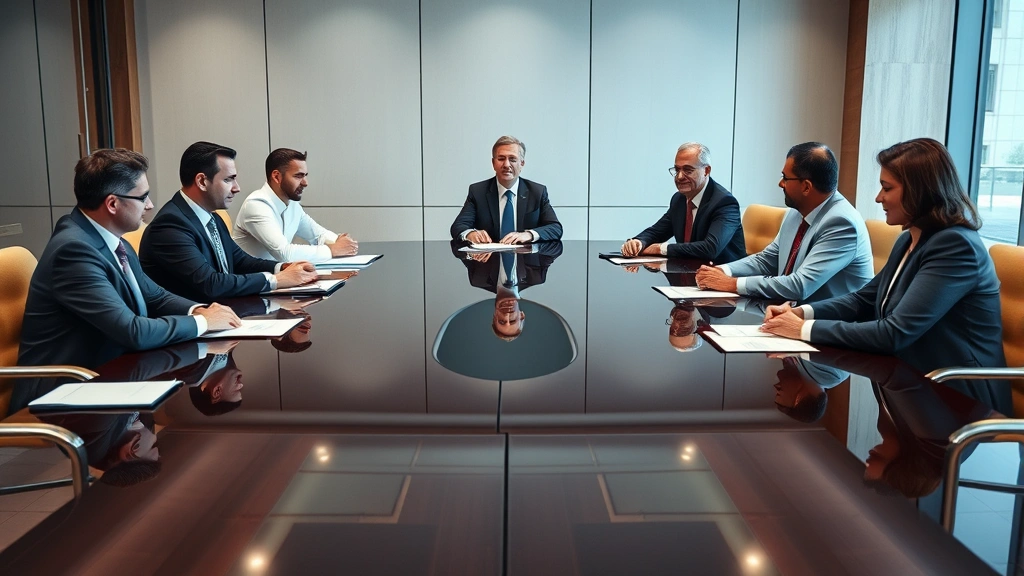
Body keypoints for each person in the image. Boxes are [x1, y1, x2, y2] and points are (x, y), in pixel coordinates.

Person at [14, 149, 241, 414]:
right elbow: (133, 331)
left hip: (109, 377)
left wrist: (200, 310)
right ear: (112, 204)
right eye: (143, 197)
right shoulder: (73, 252)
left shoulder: (112, 239)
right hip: (65, 396)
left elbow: (154, 295)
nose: (150, 205)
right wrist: (202, 323)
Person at [761, 138, 1005, 378]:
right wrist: (801, 313)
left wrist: (804, 329)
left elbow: (894, 333)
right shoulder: (909, 240)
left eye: (887, 188)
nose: (878, 198)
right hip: (910, 376)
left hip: (956, 392)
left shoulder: (956, 246)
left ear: (920, 191)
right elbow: (862, 301)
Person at [140, 141, 318, 301]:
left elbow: (240, 262)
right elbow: (211, 283)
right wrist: (276, 280)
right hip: (191, 326)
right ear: (202, 181)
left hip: (224, 314)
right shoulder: (170, 226)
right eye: (228, 179)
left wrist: (284, 267)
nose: (237, 188)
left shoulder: (212, 217)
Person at [695, 142, 873, 302]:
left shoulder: (841, 223)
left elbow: (799, 285)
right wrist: (722, 271)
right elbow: (767, 260)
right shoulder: (797, 212)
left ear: (806, 187)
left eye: (785, 178)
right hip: (788, 312)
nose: (781, 183)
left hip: (831, 326)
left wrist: (732, 284)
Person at [621, 142, 745, 263]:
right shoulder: (679, 199)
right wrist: (638, 242)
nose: (679, 176)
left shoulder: (725, 203)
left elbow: (710, 248)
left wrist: (661, 249)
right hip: (687, 272)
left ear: (706, 171)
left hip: (722, 277)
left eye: (688, 170)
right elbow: (658, 231)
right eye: (677, 169)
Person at [232, 148, 358, 263]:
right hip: (255, 284)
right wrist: (333, 250)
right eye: (298, 176)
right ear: (277, 177)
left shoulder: (292, 204)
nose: (305, 183)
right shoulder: (256, 205)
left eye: (305, 176)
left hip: (280, 279)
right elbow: (285, 253)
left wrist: (341, 242)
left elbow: (317, 235)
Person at [450, 135, 562, 244]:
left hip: (526, 260)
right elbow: (458, 226)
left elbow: (555, 228)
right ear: (493, 163)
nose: (506, 164)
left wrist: (529, 234)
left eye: (512, 159)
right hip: (488, 260)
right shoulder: (478, 192)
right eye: (501, 159)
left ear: (522, 164)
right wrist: (470, 234)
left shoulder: (537, 192)